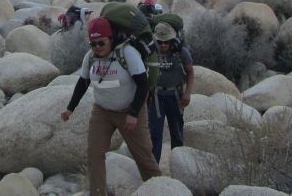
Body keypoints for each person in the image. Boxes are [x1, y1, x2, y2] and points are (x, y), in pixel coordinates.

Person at [60, 17, 161, 196]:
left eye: (101, 42)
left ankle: (161, 191)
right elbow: (82, 83)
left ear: (111, 38)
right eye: (93, 43)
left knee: (144, 157)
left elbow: (143, 85)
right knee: (94, 155)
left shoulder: (127, 53)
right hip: (102, 111)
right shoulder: (90, 57)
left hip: (130, 110)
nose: (98, 47)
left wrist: (134, 113)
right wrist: (70, 108)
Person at [148, 22, 194, 163]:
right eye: (160, 42)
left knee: (177, 132)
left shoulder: (180, 51)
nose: (163, 45)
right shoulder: (151, 51)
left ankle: (179, 164)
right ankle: (154, 167)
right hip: (156, 96)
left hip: (175, 96)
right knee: (155, 133)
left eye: (166, 42)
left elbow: (190, 72)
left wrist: (187, 93)